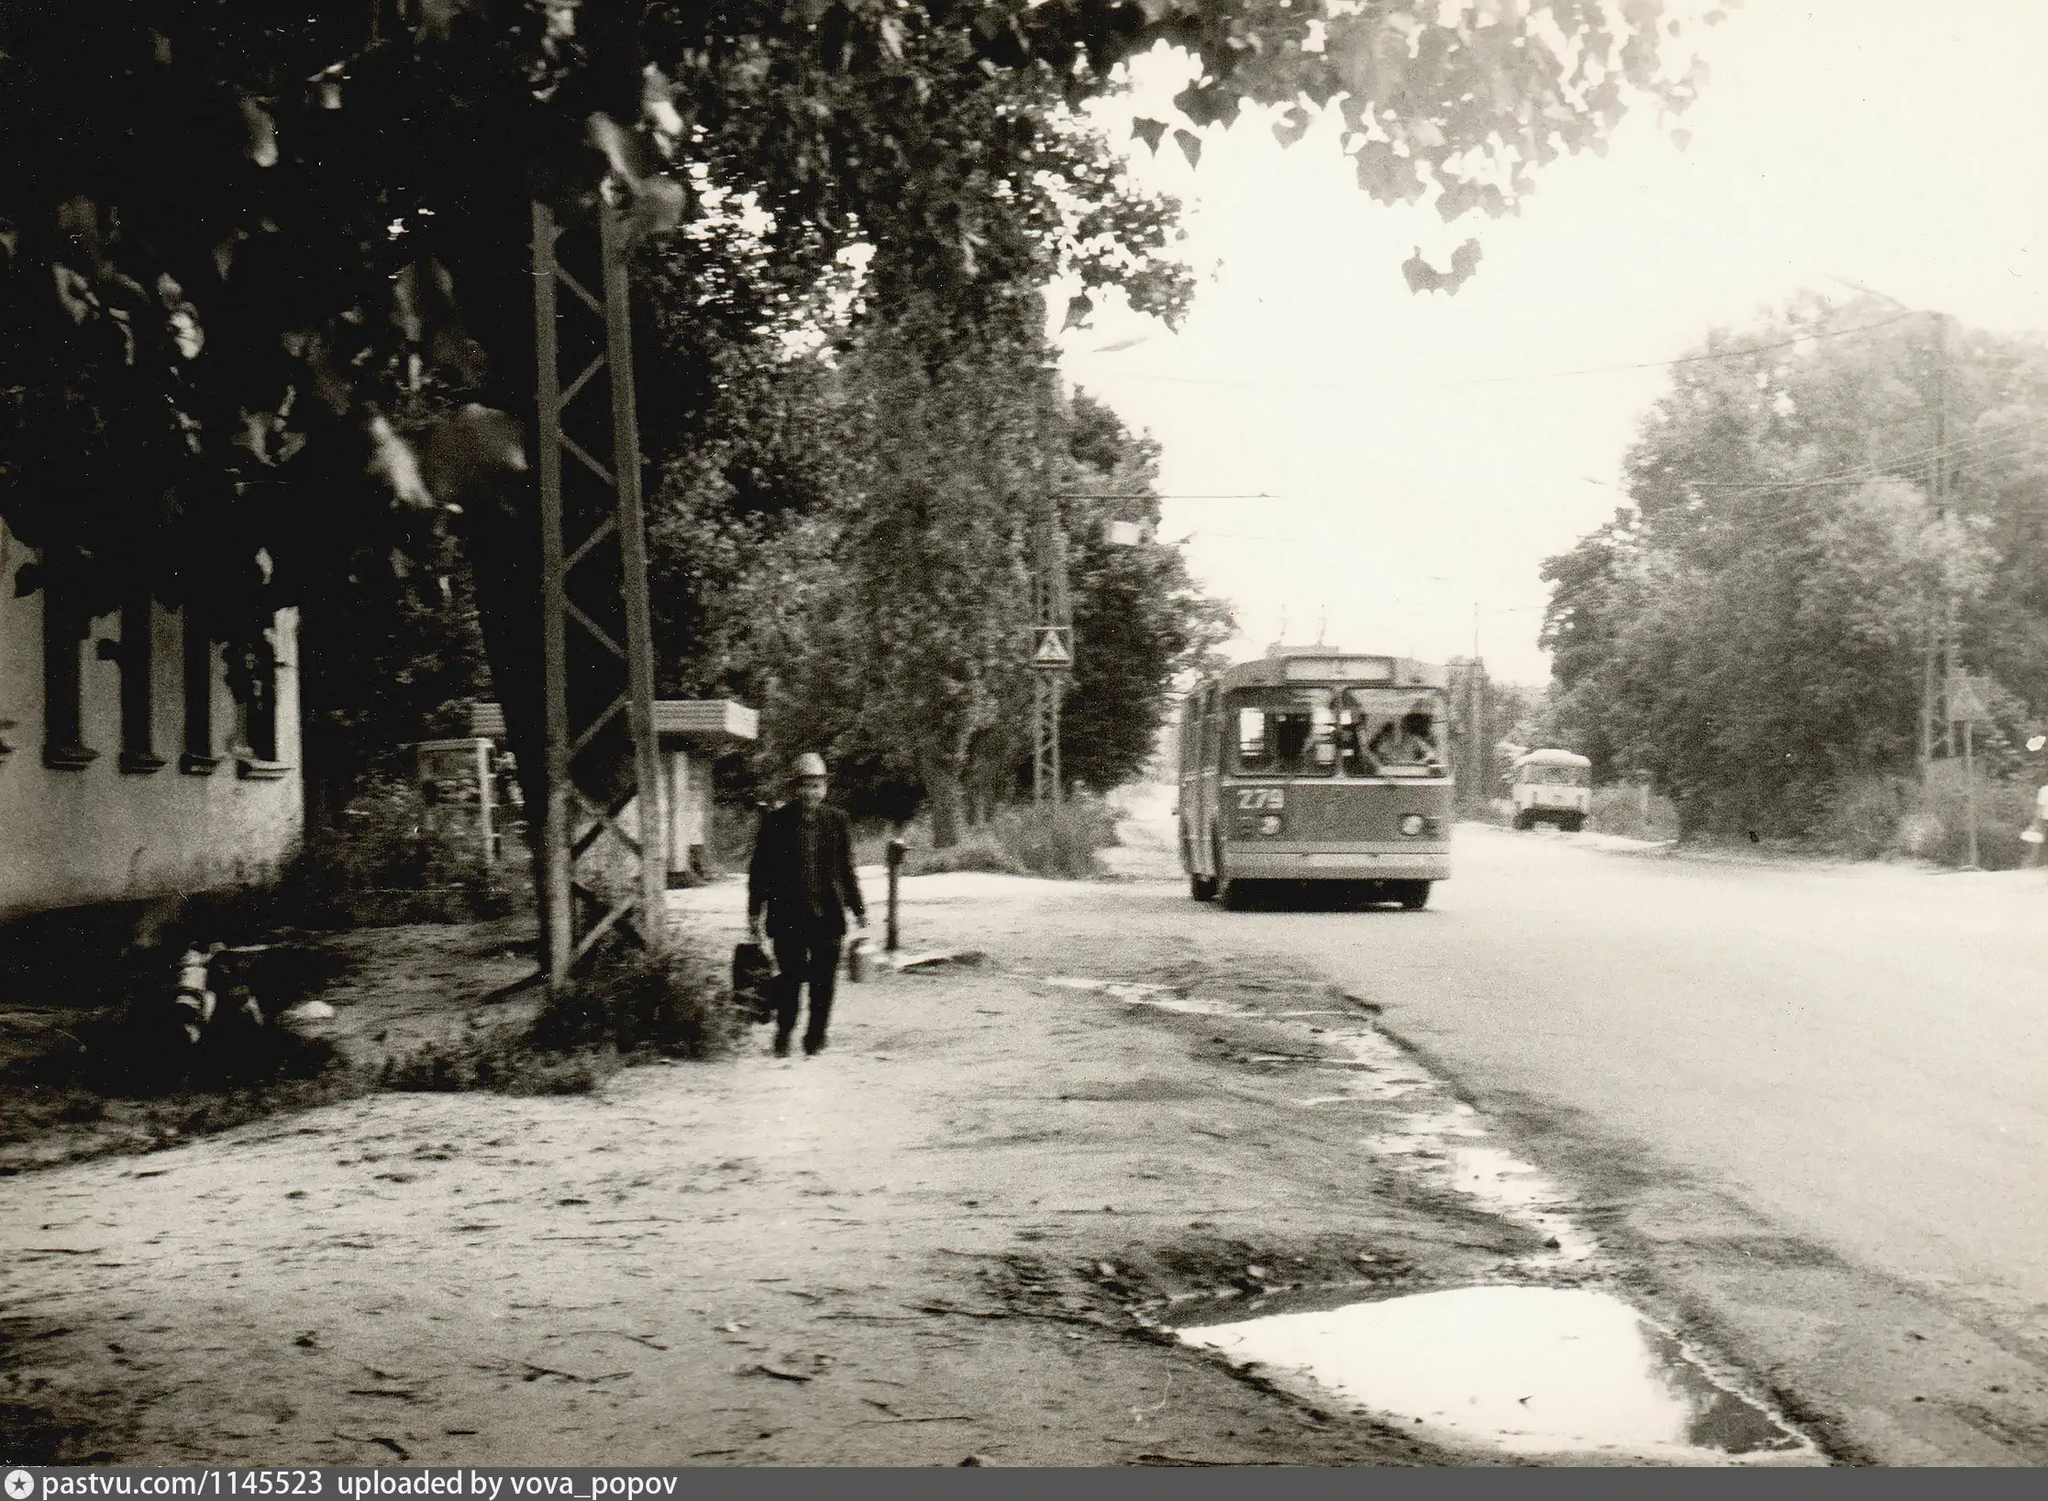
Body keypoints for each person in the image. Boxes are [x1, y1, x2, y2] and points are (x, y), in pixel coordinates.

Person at [748, 752, 867, 1057]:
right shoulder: (775, 823)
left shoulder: (836, 821)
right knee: (790, 978)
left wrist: (858, 908)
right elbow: (760, 869)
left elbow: (846, 869)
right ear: (795, 788)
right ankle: (785, 1032)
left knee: (824, 981)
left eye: (816, 786)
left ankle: (815, 1037)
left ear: (824, 788)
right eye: (804, 785)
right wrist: (753, 911)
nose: (810, 792)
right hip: (787, 917)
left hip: (827, 916)